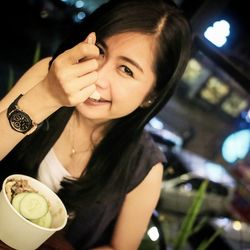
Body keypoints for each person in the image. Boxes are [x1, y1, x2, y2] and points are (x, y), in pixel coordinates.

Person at [0, 0, 192, 249]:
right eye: (99, 50)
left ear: (151, 96)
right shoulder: (47, 78)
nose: (97, 77)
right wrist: (47, 96)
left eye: (125, 69)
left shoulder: (143, 168)